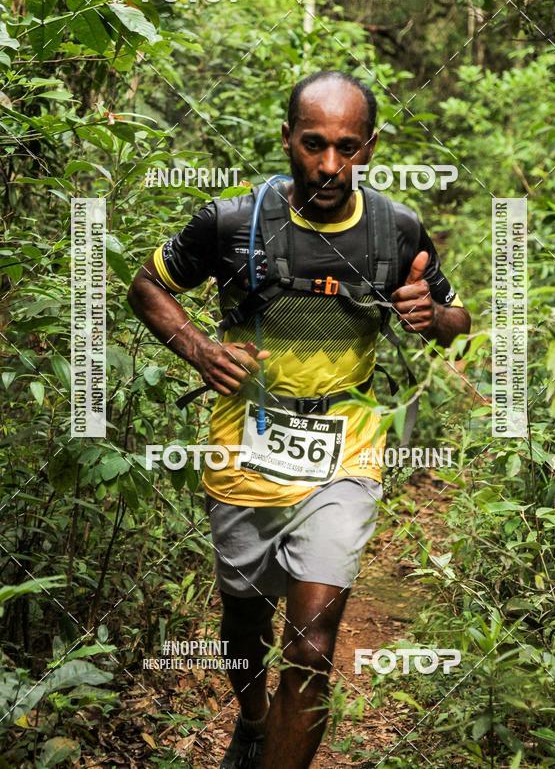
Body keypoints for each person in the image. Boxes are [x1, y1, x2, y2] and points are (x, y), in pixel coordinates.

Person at [128, 70, 471, 768]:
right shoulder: (230, 222)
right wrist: (200, 348)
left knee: (311, 648)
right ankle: (252, 720)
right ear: (288, 138)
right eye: (314, 144)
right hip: (244, 449)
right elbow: (147, 285)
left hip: (346, 451)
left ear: (370, 147)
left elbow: (458, 321)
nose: (330, 164)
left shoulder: (396, 228)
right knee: (244, 617)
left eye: (348, 147)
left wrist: (431, 316)